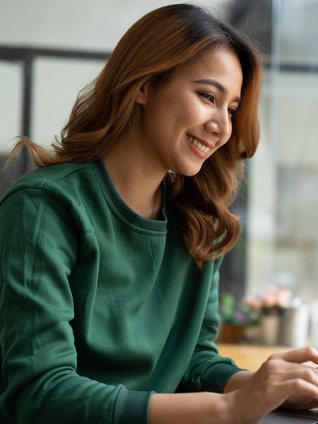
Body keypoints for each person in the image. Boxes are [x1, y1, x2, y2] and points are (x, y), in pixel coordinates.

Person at [1, 3, 318, 424]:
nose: (222, 127)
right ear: (144, 85)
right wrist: (228, 408)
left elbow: (192, 361)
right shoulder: (44, 207)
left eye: (231, 109)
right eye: (208, 97)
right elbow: (41, 394)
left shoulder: (198, 220)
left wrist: (265, 385)